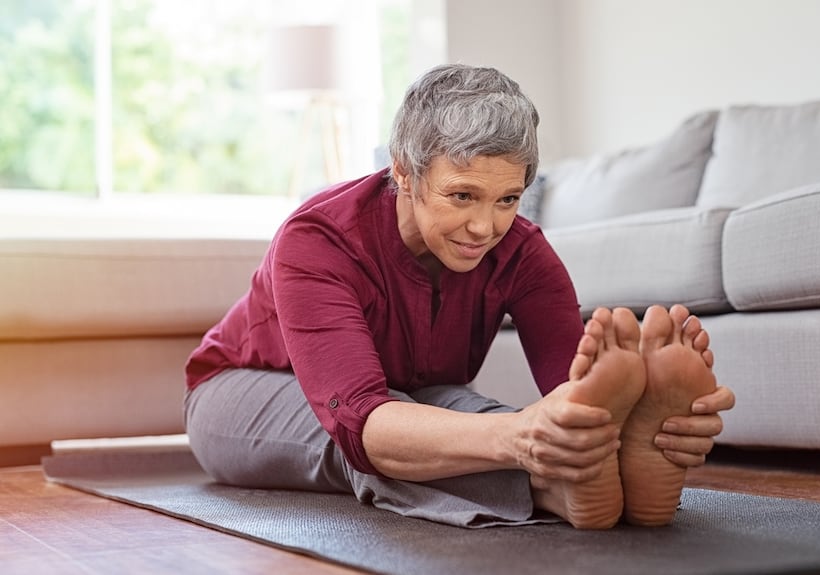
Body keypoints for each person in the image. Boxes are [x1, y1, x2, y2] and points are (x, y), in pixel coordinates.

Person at [183, 63, 735, 530]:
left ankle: (585, 474)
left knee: (471, 416)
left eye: (507, 198)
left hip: (410, 395)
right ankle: (549, 489)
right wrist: (522, 437)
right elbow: (361, 419)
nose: (484, 226)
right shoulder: (317, 240)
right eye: (462, 195)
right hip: (248, 390)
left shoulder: (524, 251)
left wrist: (642, 425)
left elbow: (576, 394)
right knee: (391, 441)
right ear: (404, 172)